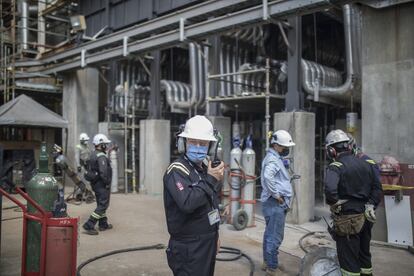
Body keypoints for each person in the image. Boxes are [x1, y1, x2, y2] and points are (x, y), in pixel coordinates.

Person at [163, 115, 224, 276]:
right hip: (188, 247)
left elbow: (210, 203)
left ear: (210, 147)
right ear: (183, 144)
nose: (198, 147)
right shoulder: (177, 170)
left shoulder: (204, 168)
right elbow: (187, 203)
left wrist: (215, 235)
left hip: (206, 242)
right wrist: (211, 179)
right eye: (192, 142)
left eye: (203, 143)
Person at [324, 129, 382, 276]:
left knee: (348, 260)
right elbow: (377, 188)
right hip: (366, 216)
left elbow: (330, 192)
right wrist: (371, 205)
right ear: (349, 146)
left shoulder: (336, 167)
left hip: (348, 220)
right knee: (364, 254)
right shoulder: (367, 164)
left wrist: (335, 204)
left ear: (331, 150)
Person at [260, 130, 296, 276]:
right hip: (274, 203)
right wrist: (277, 195)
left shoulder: (274, 157)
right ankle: (272, 268)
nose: (285, 149)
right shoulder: (273, 160)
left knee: (269, 233)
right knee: (274, 236)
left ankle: (268, 261)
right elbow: (268, 177)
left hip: (272, 203)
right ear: (275, 145)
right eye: (283, 147)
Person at [82, 133, 113, 235]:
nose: (106, 146)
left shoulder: (93, 153)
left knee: (101, 203)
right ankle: (89, 224)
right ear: (101, 144)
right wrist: (107, 183)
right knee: (103, 205)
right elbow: (103, 172)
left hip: (95, 184)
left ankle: (103, 224)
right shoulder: (101, 156)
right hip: (101, 184)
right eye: (105, 144)